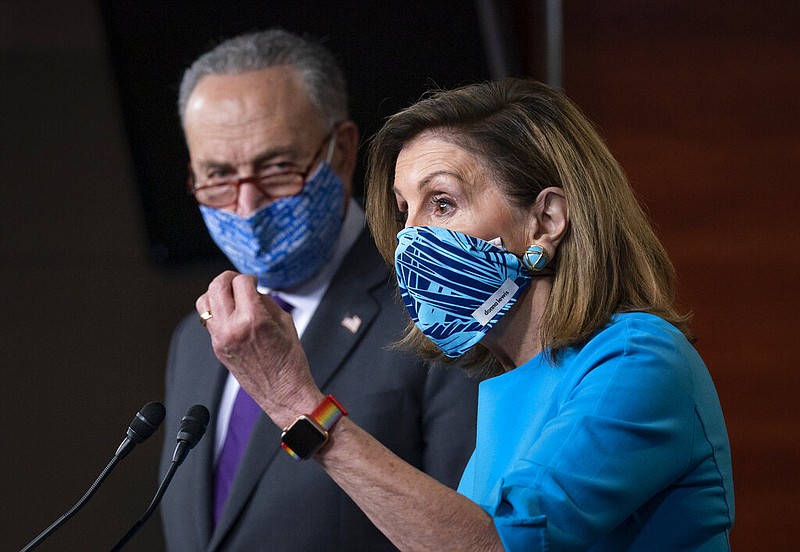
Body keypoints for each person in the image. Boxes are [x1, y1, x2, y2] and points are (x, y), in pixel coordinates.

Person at [196, 77, 735, 551]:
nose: (410, 239)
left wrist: (296, 403)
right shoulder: (507, 382)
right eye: (405, 212)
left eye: (443, 203)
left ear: (545, 220)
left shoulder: (637, 359)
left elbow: (493, 546)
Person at [158, 29, 479, 551]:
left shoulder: (438, 308)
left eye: (278, 168)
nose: (246, 205)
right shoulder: (195, 339)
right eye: (217, 175)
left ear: (342, 151)